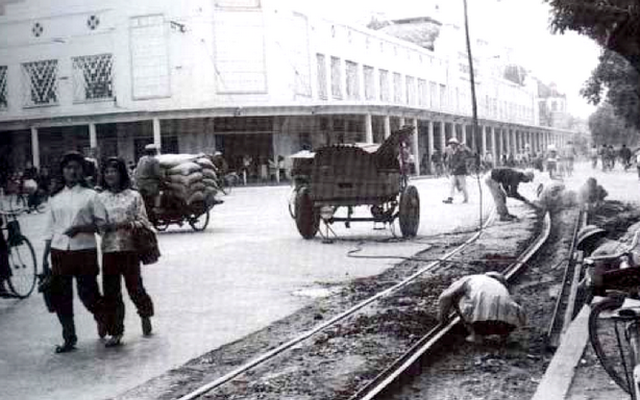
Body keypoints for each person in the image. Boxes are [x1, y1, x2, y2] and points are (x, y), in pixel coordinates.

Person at [41, 151, 107, 353]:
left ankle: (101, 317)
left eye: (76, 168)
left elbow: (102, 225)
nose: (72, 171)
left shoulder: (91, 195)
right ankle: (69, 338)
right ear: (62, 171)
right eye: (68, 168)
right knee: (62, 296)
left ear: (82, 171)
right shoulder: (54, 197)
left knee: (88, 294)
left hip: (84, 250)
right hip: (59, 251)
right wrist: (44, 257)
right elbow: (50, 228)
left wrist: (81, 228)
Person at [97, 157, 155, 347]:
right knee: (111, 293)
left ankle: (145, 314)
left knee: (135, 288)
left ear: (121, 173)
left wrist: (125, 224)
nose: (110, 175)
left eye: (113, 171)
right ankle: (116, 331)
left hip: (130, 250)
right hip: (108, 250)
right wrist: (101, 226)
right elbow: (97, 224)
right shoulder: (100, 198)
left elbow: (144, 222)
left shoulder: (134, 196)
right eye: (106, 172)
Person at [438, 272, 526, 343]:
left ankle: (475, 335)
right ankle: (505, 336)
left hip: (480, 323)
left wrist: (443, 320)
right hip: (508, 324)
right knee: (505, 302)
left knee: (457, 296)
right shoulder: (500, 285)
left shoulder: (469, 279)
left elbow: (444, 297)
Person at [576, 225, 640, 297]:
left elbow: (596, 282)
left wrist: (584, 285)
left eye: (585, 244)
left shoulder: (598, 253)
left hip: (628, 282)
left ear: (591, 240)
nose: (586, 247)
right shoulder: (617, 243)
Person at [134, 144, 163, 223]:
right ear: (154, 152)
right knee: (159, 194)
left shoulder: (141, 159)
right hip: (149, 185)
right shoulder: (154, 160)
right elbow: (157, 174)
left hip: (138, 184)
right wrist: (163, 180)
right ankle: (157, 209)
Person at [442, 138, 472, 204]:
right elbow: (450, 161)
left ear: (456, 144)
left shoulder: (460, 151)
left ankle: (466, 198)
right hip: (454, 171)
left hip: (461, 171)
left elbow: (462, 160)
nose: (451, 145)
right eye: (450, 143)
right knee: (452, 184)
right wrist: (449, 169)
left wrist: (455, 167)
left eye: (453, 143)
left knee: (463, 185)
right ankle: (450, 198)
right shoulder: (451, 152)